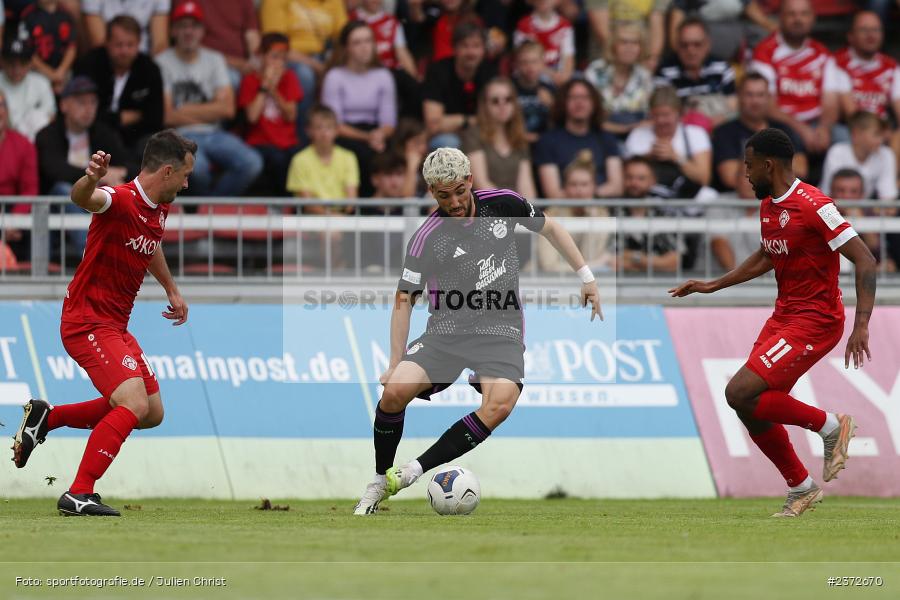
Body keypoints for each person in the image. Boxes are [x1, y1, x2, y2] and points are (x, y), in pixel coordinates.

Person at [352, 147, 602, 515]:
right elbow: (403, 299)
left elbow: (551, 228)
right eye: (442, 195)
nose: (453, 201)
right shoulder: (428, 237)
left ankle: (412, 471)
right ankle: (378, 481)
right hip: (447, 332)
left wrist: (586, 277)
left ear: (470, 180)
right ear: (431, 193)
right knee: (394, 392)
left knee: (499, 405)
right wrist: (393, 362)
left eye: (458, 190)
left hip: (501, 329)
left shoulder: (503, 203)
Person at [669, 128, 876, 517]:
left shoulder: (814, 204)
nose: (744, 174)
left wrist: (861, 325)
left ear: (768, 164)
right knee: (748, 405)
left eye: (748, 166)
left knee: (738, 392)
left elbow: (865, 259)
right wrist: (715, 285)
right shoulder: (769, 206)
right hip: (784, 317)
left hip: (816, 320)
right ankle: (801, 487)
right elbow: (768, 255)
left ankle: (831, 425)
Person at [11, 129, 196, 516]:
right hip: (87, 321)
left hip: (114, 325)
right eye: (184, 174)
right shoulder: (120, 199)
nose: (187, 182)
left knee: (151, 412)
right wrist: (92, 178)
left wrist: (171, 289)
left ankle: (49, 418)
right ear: (166, 171)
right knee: (131, 401)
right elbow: (84, 198)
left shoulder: (157, 208)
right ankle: (78, 493)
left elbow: (152, 242)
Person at [156, 1, 263, 197]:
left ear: (202, 31)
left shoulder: (215, 59)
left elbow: (228, 109)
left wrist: (184, 108)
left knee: (252, 162)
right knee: (199, 170)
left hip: (215, 132)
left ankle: (208, 209)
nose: (189, 32)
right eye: (182, 26)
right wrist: (211, 109)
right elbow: (167, 115)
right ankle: (206, 212)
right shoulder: (162, 62)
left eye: (194, 26)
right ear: (173, 31)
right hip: (179, 135)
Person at [36, 76, 134, 255]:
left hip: (97, 203)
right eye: (81, 103)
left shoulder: (103, 133)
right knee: (64, 189)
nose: (89, 109)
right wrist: (96, 176)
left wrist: (120, 172)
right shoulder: (47, 134)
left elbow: (130, 164)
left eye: (93, 102)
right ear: (63, 105)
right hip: (56, 207)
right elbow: (54, 170)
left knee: (120, 190)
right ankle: (94, 252)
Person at [750, 0, 844, 156]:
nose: (798, 19)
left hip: (817, 124)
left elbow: (831, 103)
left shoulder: (822, 53)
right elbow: (766, 105)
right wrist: (801, 129)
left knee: (847, 139)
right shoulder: (764, 51)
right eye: (791, 14)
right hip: (781, 126)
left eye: (804, 14)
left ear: (813, 18)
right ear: (780, 17)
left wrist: (824, 128)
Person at [321, 21, 397, 198]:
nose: (365, 48)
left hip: (374, 131)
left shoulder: (383, 76)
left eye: (368, 41)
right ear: (346, 48)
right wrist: (367, 137)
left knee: (386, 153)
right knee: (360, 154)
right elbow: (333, 123)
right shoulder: (335, 76)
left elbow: (389, 123)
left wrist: (379, 135)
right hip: (344, 132)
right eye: (357, 43)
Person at [74, 15, 165, 159]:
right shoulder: (89, 64)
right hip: (93, 135)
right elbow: (80, 110)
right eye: (118, 45)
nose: (124, 51)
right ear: (107, 43)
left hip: (136, 139)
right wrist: (122, 117)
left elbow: (155, 118)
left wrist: (108, 117)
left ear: (139, 44)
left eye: (130, 45)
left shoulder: (150, 69)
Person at [712, 72, 807, 192]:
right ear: (739, 97)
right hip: (737, 201)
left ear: (769, 98)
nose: (755, 101)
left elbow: (801, 169)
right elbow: (730, 178)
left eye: (760, 95)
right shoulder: (724, 132)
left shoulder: (784, 129)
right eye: (749, 95)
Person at [237, 32, 303, 197]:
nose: (278, 63)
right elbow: (252, 117)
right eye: (274, 57)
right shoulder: (250, 81)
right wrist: (264, 87)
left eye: (283, 58)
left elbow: (291, 115)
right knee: (277, 159)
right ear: (261, 56)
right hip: (260, 142)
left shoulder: (290, 78)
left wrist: (273, 90)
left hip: (288, 142)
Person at [534, 79, 623, 198]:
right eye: (573, 97)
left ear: (594, 103)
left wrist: (589, 194)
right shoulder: (547, 141)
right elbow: (553, 193)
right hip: (562, 213)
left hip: (601, 211)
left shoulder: (606, 139)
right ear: (563, 102)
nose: (579, 103)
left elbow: (617, 187)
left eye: (585, 97)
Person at [624, 85, 712, 195]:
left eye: (666, 115)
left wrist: (676, 157)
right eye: (656, 115)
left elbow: (704, 179)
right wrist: (648, 158)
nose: (661, 120)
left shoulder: (695, 134)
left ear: (678, 113)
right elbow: (626, 177)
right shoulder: (638, 134)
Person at [422, 21, 496, 150]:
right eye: (465, 46)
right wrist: (469, 121)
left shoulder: (490, 73)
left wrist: (453, 121)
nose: (471, 52)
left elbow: (496, 119)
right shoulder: (438, 71)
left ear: (484, 50)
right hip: (446, 136)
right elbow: (433, 124)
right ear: (455, 48)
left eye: (476, 46)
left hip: (480, 135)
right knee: (449, 143)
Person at [654, 17, 736, 131]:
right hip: (681, 131)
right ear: (677, 45)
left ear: (707, 44)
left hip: (719, 129)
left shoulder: (722, 68)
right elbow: (662, 110)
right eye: (684, 45)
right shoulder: (665, 72)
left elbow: (733, 106)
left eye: (697, 44)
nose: (691, 50)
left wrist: (716, 122)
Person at [538, 150, 613, 273]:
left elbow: (589, 256)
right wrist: (598, 263)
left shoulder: (601, 215)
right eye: (573, 184)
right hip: (549, 283)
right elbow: (549, 267)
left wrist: (592, 216)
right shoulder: (550, 216)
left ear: (594, 187)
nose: (579, 190)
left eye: (584, 184)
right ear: (565, 188)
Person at [463, 77, 536, 198]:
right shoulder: (473, 134)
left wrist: (530, 210)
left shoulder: (520, 139)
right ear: (484, 105)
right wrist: (511, 208)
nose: (502, 105)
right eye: (495, 101)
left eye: (508, 99)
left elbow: (526, 186)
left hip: (515, 210)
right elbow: (480, 183)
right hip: (484, 209)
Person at [584, 21, 653, 140]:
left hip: (632, 138)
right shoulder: (595, 71)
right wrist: (624, 128)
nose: (629, 48)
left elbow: (648, 119)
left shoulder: (645, 77)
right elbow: (586, 116)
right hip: (596, 136)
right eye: (624, 42)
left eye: (635, 43)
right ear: (613, 45)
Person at [833, 11, 900, 122]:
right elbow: (851, 115)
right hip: (850, 129)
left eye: (876, 30)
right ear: (850, 36)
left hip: (883, 128)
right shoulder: (837, 63)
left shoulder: (891, 66)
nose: (871, 35)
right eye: (864, 30)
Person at [619, 155, 681, 273]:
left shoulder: (663, 214)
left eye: (641, 178)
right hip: (616, 288)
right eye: (629, 177)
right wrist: (655, 263)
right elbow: (609, 262)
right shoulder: (612, 212)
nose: (634, 183)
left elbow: (674, 262)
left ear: (653, 181)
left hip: (660, 287)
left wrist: (634, 258)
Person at [821, 111, 897, 202]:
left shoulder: (886, 154)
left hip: (865, 213)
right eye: (876, 134)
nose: (881, 140)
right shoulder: (837, 152)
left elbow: (888, 200)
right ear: (856, 134)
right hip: (832, 212)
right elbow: (827, 196)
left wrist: (864, 212)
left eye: (881, 135)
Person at [0, 89, 39, 262]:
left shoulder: (23, 144)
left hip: (13, 212)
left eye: (1, 105)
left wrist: (13, 221)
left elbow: (30, 188)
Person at [194, 0, 261, 89]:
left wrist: (255, 61)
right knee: (232, 79)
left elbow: (252, 34)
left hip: (242, 64)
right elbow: (190, 43)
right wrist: (235, 63)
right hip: (207, 63)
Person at [587, 0, 667, 73]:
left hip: (642, 56)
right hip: (605, 55)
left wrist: (651, 58)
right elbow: (601, 29)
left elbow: (657, 23)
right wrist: (623, 54)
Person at [0, 39, 56, 142]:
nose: (16, 69)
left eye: (22, 63)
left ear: (30, 63)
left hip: (36, 141)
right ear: (2, 61)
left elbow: (50, 117)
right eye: (11, 63)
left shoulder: (41, 82)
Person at [20, 0, 77, 94]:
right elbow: (28, 52)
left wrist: (60, 72)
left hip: (63, 73)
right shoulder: (28, 15)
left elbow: (71, 48)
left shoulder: (66, 14)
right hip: (38, 73)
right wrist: (51, 74)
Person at [513, 0, 575, 87]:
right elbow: (522, 61)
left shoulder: (565, 26)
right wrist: (552, 75)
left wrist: (564, 78)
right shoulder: (523, 26)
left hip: (558, 76)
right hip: (531, 77)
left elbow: (568, 60)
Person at [82, 0, 170, 56]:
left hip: (144, 59)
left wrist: (148, 69)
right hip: (108, 59)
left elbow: (160, 44)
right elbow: (98, 41)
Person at [511, 41, 555, 142]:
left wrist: (552, 104)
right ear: (516, 64)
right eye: (524, 62)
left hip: (544, 142)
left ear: (543, 63)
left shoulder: (550, 89)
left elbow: (560, 122)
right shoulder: (509, 88)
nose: (530, 67)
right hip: (515, 140)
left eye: (534, 62)